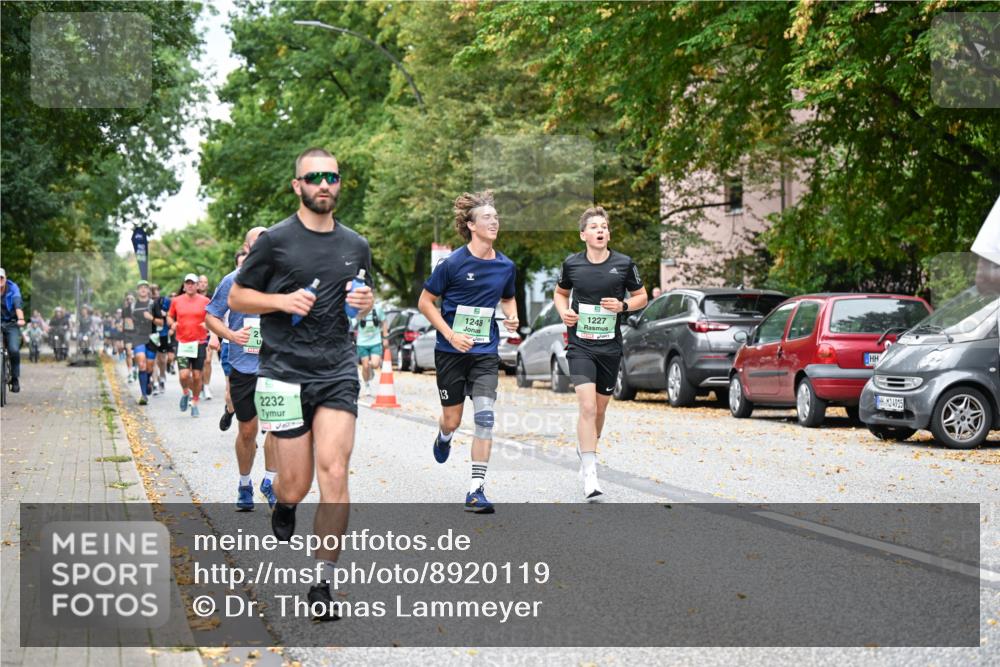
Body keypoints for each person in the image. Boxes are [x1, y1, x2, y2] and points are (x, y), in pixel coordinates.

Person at [228, 146, 374, 620]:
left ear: (339, 183)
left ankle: (322, 583)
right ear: (298, 186)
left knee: (334, 471)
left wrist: (365, 303)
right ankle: (284, 504)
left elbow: (357, 303)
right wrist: (282, 302)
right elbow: (238, 295)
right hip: (282, 374)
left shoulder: (356, 245)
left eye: (331, 176)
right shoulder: (274, 241)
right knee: (295, 484)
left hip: (336, 371)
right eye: (314, 178)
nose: (323, 184)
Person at [417, 191, 518, 514]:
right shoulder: (453, 264)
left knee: (485, 417)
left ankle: (476, 489)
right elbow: (424, 302)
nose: (494, 221)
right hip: (450, 352)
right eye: (487, 217)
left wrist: (512, 316)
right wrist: (450, 333)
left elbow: (508, 298)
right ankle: (444, 437)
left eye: (496, 217)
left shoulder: (506, 266)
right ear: (471, 225)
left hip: (485, 352)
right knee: (453, 419)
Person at [554, 206, 647, 499]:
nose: (600, 230)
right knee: (587, 407)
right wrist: (564, 312)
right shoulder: (572, 264)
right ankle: (591, 475)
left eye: (604, 226)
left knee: (601, 408)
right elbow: (560, 293)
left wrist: (622, 306)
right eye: (594, 226)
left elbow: (641, 296)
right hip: (580, 344)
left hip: (609, 346)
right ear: (583, 235)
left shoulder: (623, 263)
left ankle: (587, 450)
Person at [205, 228, 278, 511]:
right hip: (243, 364)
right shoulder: (233, 281)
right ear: (247, 248)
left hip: (276, 366)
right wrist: (230, 335)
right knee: (248, 430)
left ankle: (270, 481)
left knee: (278, 427)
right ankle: (244, 483)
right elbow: (211, 316)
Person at [168, 274, 210, 417]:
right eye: (188, 283)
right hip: (183, 343)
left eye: (193, 283)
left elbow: (212, 317)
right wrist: (172, 323)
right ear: (184, 285)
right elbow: (169, 316)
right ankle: (186, 392)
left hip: (199, 343)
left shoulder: (205, 301)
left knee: (198, 376)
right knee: (184, 375)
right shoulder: (176, 301)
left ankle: (195, 402)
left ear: (198, 285)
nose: (190, 285)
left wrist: (208, 324)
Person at [124, 280, 162, 405]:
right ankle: (144, 395)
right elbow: (127, 323)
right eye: (141, 288)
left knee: (149, 367)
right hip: (138, 337)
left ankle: (148, 382)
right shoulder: (132, 306)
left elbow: (161, 323)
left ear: (148, 291)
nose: (143, 290)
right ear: (137, 291)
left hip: (152, 336)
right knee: (141, 364)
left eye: (145, 287)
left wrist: (151, 318)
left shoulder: (154, 304)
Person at [354, 302, 388, 397]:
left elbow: (384, 321)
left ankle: (370, 369)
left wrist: (385, 337)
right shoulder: (358, 310)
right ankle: (367, 385)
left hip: (375, 341)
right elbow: (352, 322)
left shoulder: (377, 309)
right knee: (364, 366)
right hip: (362, 343)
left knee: (376, 364)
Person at [1, 268, 26, 392]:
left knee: (14, 350)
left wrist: (20, 318)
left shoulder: (13, 288)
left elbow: (17, 304)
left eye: (1, 278)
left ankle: (14, 378)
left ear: (5, 278)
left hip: (11, 323)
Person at [198, 274, 215, 400]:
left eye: (205, 282)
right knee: (198, 363)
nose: (203, 284)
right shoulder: (194, 298)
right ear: (197, 284)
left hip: (209, 333)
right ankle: (198, 385)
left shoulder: (212, 298)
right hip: (195, 335)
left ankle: (206, 386)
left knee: (208, 360)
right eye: (201, 282)